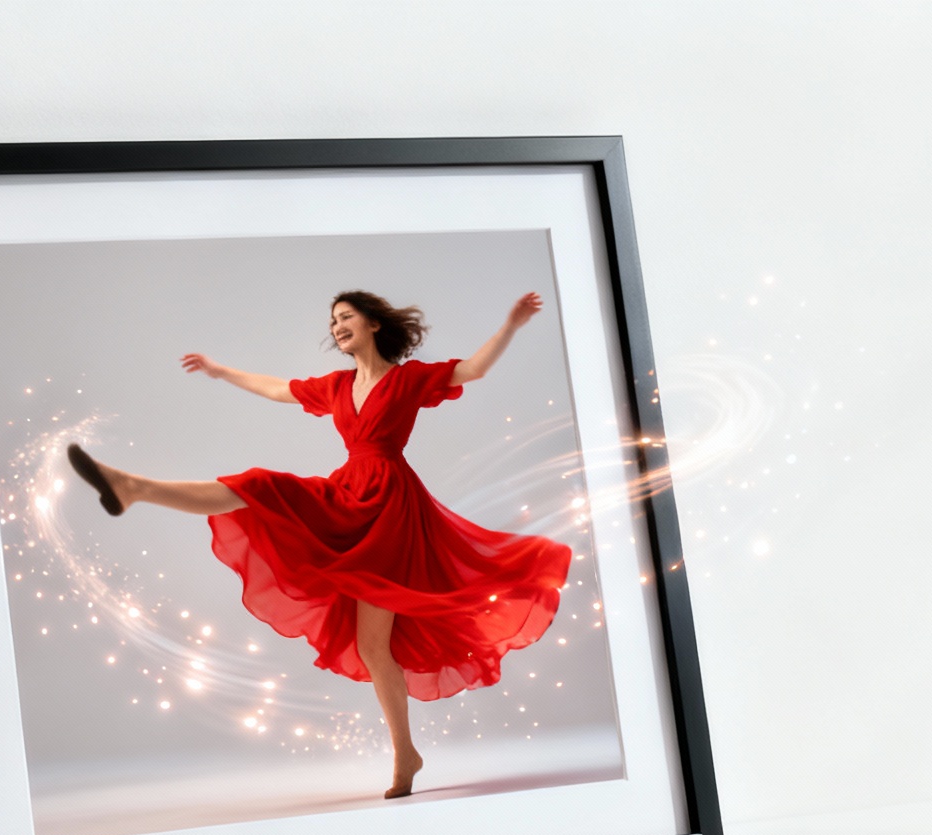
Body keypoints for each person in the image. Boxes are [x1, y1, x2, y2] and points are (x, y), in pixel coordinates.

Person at [67, 290, 571, 799]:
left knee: (375, 646)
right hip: (348, 493)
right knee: (262, 491)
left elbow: (473, 370)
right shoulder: (336, 386)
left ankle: (405, 755)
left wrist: (510, 324)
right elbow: (276, 388)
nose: (337, 327)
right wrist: (223, 371)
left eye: (346, 317)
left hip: (391, 510)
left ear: (373, 324)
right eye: (332, 322)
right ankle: (133, 487)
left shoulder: (408, 379)